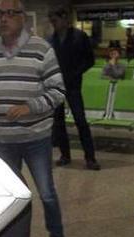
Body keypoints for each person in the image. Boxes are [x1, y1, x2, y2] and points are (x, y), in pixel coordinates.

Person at [0, 0, 69, 237]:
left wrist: (30, 107)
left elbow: (58, 91)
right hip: (4, 139)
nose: (3, 19)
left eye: (10, 13)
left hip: (36, 137)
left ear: (22, 18)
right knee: (10, 196)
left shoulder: (41, 49)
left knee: (47, 193)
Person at [48, 6, 100, 170]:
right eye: (51, 21)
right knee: (59, 123)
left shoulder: (79, 37)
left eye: (55, 20)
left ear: (64, 20)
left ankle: (90, 158)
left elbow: (90, 60)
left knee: (80, 121)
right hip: (57, 86)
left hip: (73, 85)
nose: (53, 24)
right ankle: (65, 155)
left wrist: (75, 73)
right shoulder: (51, 40)